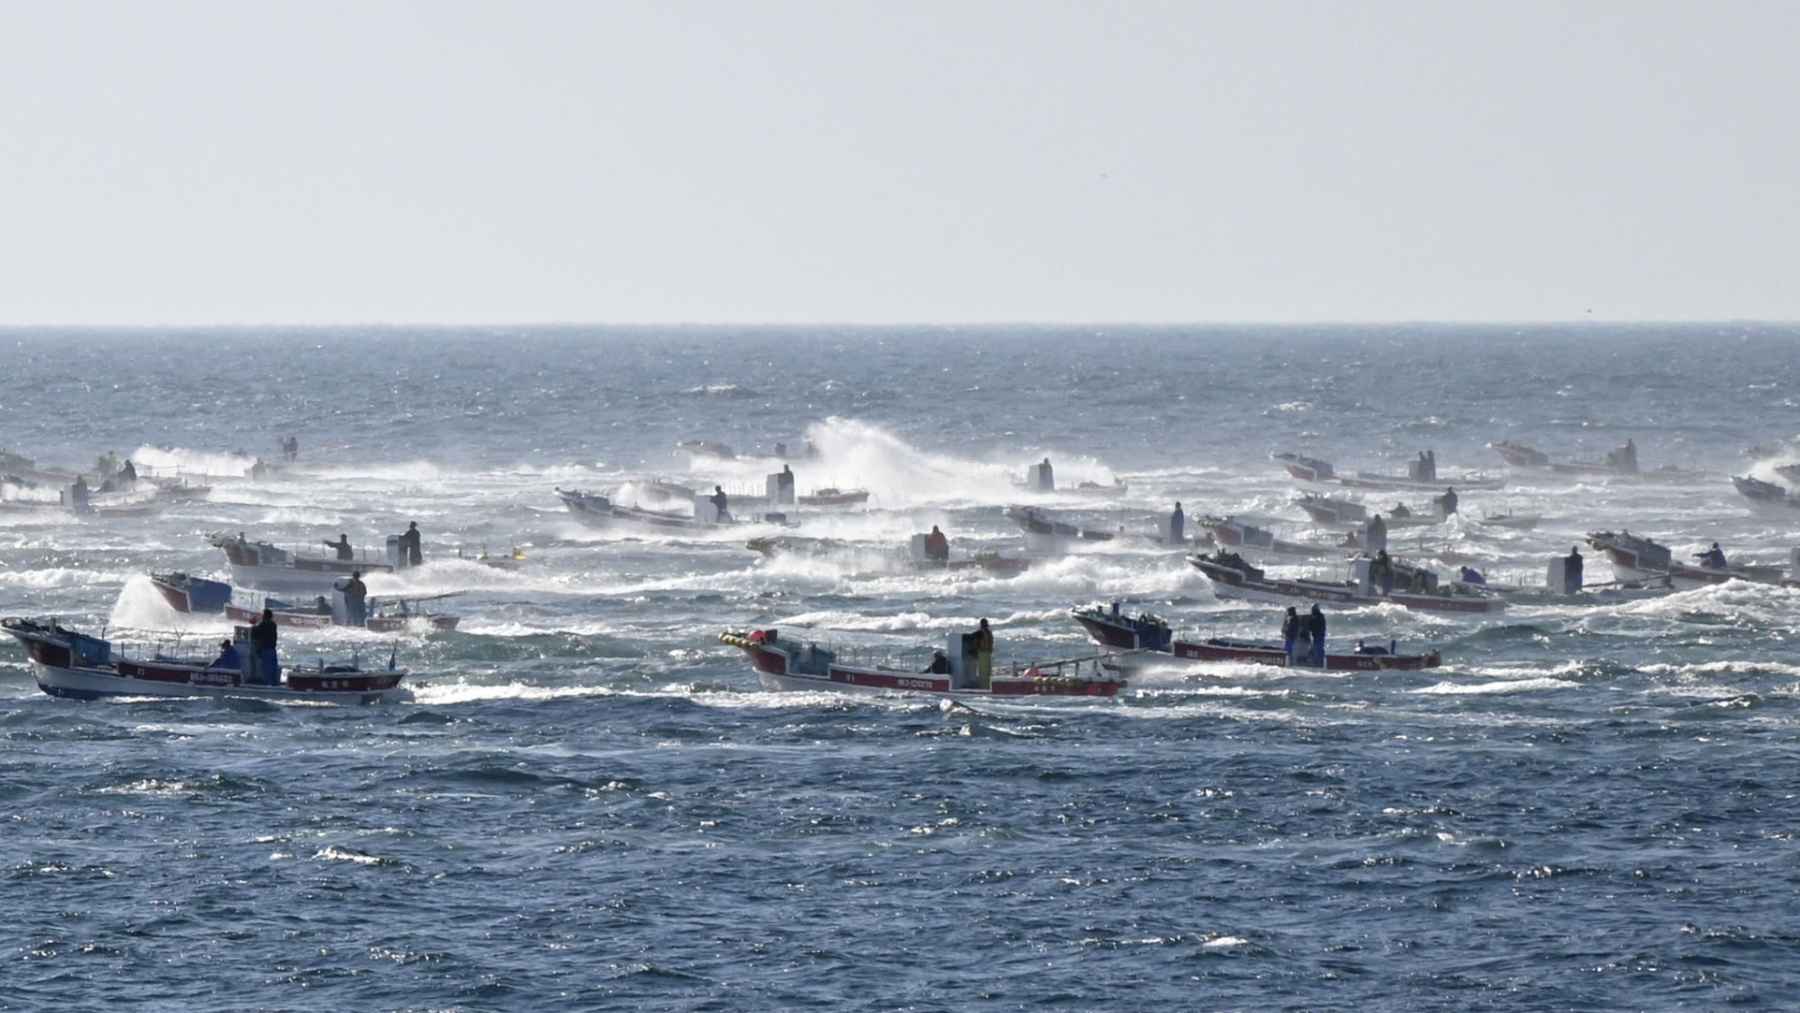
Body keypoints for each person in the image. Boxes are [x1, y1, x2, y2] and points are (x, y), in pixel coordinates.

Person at [251, 608, 280, 685]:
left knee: (266, 669)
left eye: (263, 615)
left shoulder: (263, 624)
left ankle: (268, 685)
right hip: (272, 650)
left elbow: (255, 634)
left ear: (265, 616)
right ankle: (274, 684)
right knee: (273, 668)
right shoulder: (273, 624)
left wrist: (253, 624)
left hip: (265, 649)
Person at [972, 618, 994, 687]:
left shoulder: (980, 632)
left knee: (982, 671)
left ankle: (983, 686)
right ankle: (988, 685)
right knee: (987, 671)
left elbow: (974, 639)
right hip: (988, 653)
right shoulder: (989, 632)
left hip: (982, 652)